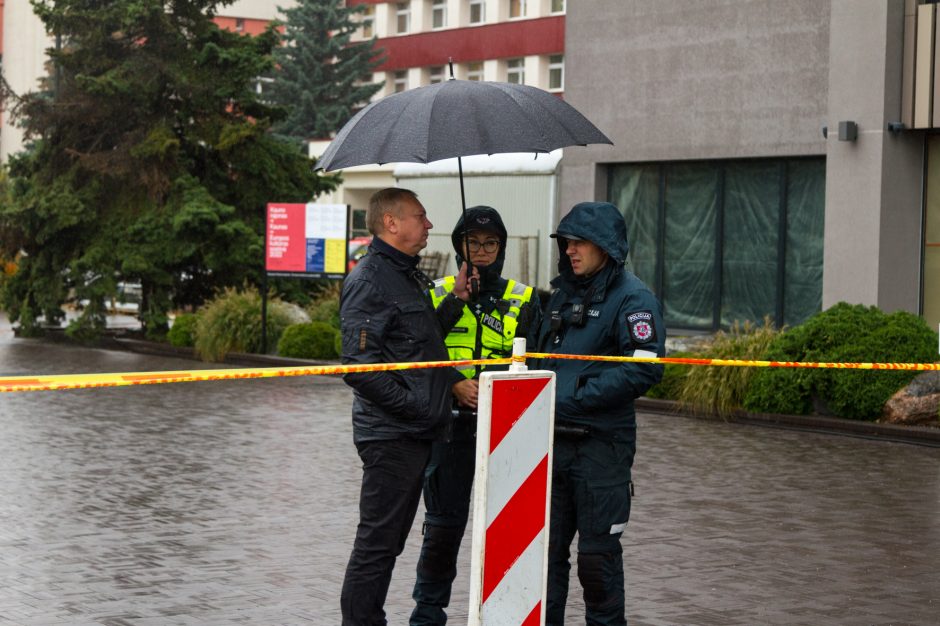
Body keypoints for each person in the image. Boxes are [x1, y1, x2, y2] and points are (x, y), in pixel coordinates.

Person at [339, 187, 471, 626]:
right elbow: (359, 368)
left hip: (415, 433)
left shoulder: (406, 274)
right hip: (393, 435)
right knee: (377, 544)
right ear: (391, 223)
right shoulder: (369, 280)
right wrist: (416, 408)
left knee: (388, 542)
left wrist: (455, 300)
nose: (429, 225)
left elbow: (420, 341)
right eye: (421, 215)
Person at [533, 201, 666, 626]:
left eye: (580, 243)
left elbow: (644, 368)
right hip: (551, 448)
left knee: (597, 562)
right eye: (567, 243)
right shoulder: (560, 296)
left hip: (600, 450)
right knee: (544, 560)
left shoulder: (634, 298)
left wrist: (571, 396)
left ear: (605, 247)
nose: (570, 251)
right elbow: (538, 361)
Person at [410, 206, 542, 626]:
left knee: (509, 534)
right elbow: (419, 350)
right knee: (443, 531)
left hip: (507, 433)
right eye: (473, 243)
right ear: (458, 247)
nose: (482, 252)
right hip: (449, 430)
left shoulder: (524, 298)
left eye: (490, 244)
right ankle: (428, 615)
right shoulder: (434, 293)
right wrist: (452, 382)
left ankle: (505, 614)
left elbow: (537, 363)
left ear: (501, 248)